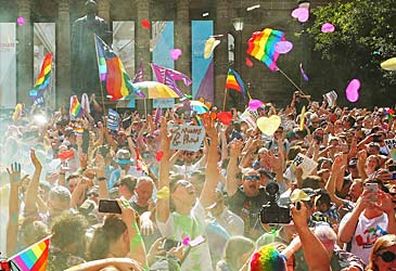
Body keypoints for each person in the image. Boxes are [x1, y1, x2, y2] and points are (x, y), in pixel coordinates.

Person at [156, 116, 219, 270]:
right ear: (173, 194)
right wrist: (165, 145)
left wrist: (214, 139)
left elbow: (211, 176)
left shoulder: (198, 212)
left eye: (188, 183)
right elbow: (163, 181)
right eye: (183, 185)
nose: (189, 185)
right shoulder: (167, 219)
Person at [338, 181, 396, 264]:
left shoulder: (390, 219)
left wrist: (390, 212)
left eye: (377, 193)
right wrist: (358, 208)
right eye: (368, 193)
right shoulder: (351, 216)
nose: (372, 197)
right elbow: (343, 238)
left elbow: (394, 241)